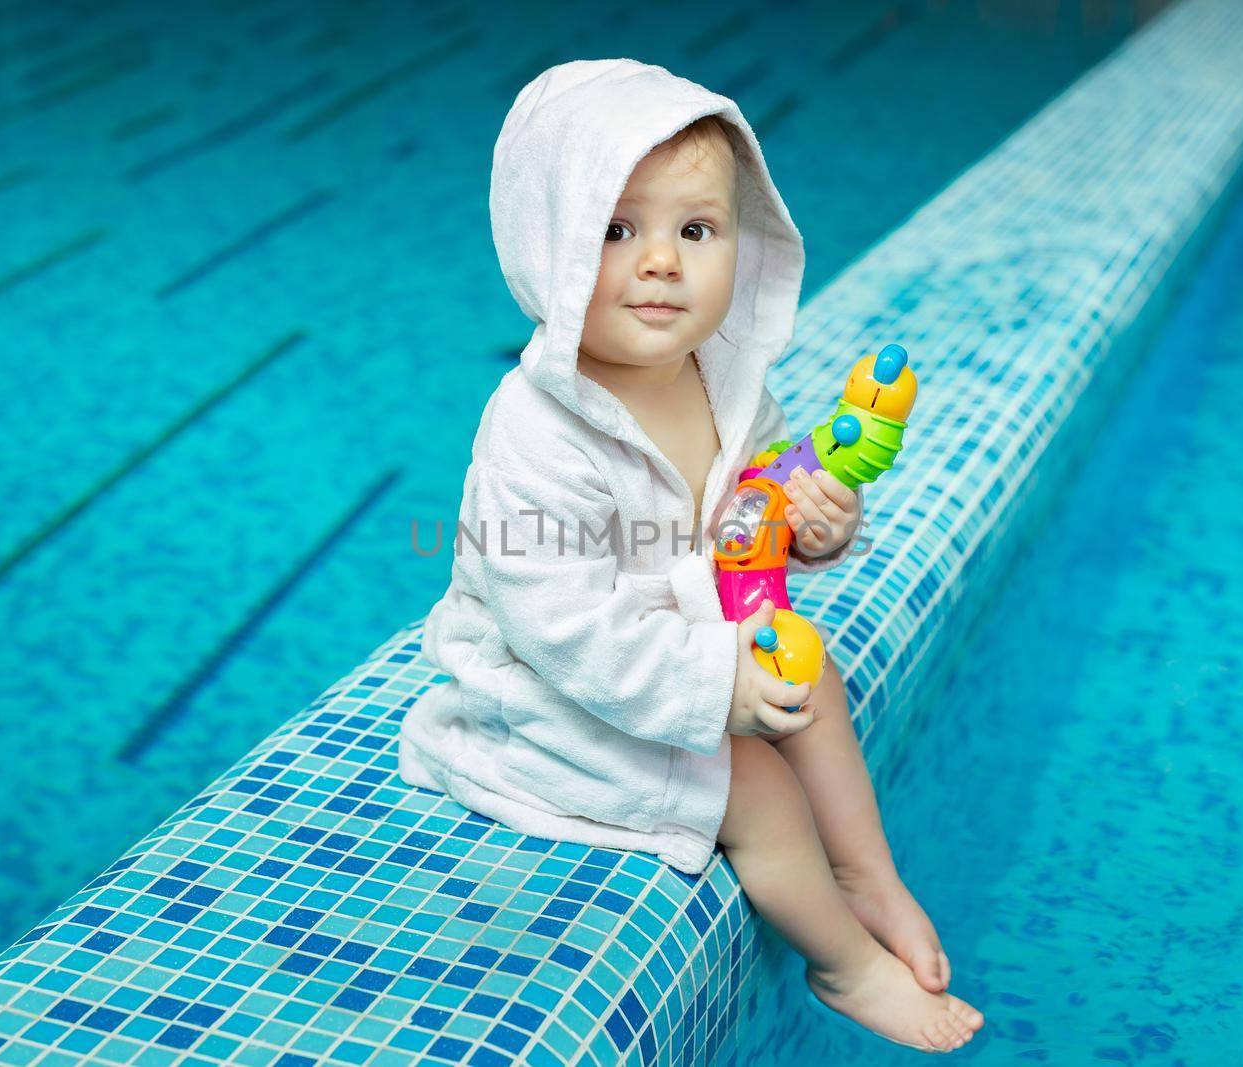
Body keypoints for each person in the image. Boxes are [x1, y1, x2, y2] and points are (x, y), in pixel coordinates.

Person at [398, 58, 983, 1052]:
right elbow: (565, 630)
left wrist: (817, 525)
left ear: (739, 249)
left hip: (683, 646)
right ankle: (841, 961)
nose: (661, 262)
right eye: (616, 230)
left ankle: (866, 870)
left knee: (813, 674)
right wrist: (718, 691)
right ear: (552, 247)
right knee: (750, 784)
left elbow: (753, 530)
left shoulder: (723, 384)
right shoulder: (535, 430)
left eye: (695, 230)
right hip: (549, 693)